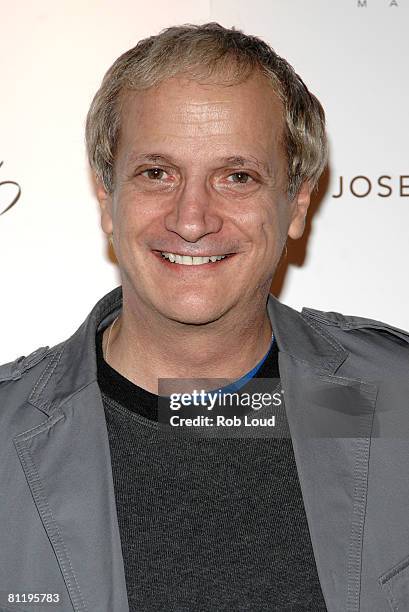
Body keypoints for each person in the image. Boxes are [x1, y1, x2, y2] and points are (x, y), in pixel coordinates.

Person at [1, 22, 408, 612]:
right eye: (157, 173)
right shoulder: (8, 436)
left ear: (296, 203)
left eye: (236, 177)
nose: (192, 219)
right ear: (107, 197)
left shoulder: (393, 401)